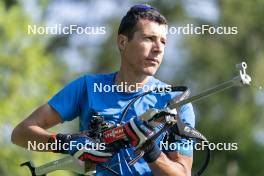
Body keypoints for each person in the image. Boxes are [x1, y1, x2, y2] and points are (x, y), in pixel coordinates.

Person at [11, 4, 195, 176]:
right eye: (149, 38)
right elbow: (21, 134)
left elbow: (182, 172)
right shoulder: (87, 87)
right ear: (122, 42)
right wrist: (67, 143)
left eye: (163, 42)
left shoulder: (176, 101)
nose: (158, 49)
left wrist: (149, 148)